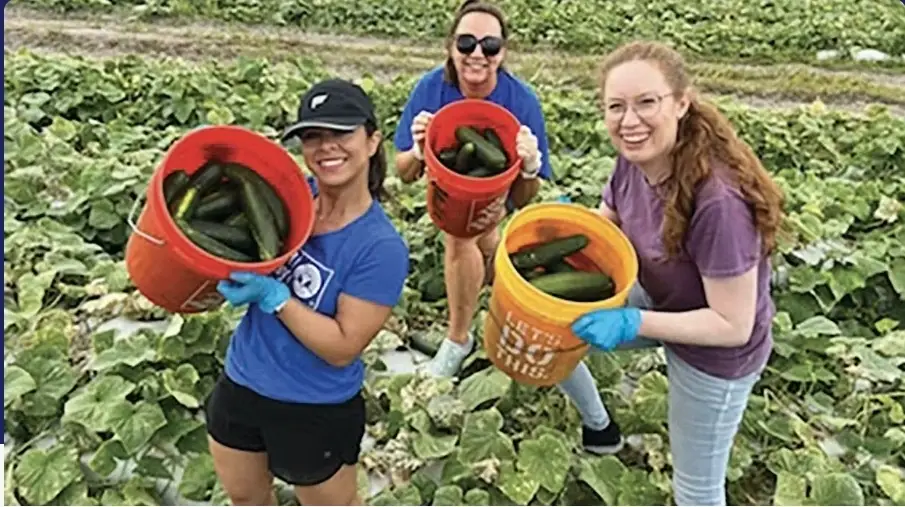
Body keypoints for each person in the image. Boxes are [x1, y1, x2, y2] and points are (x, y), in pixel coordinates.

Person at [567, 40, 785, 506]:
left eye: (647, 102)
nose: (629, 121)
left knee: (696, 488)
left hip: (716, 353)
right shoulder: (634, 157)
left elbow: (732, 324)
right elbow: (610, 220)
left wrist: (632, 322)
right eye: (616, 107)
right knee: (555, 329)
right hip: (661, 298)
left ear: (681, 102)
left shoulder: (718, 202)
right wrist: (568, 238)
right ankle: (600, 427)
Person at [203, 78, 410, 506]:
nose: (325, 147)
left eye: (341, 133)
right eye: (313, 136)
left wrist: (275, 298)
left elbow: (343, 347)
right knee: (245, 499)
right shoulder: (294, 199)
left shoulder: (380, 247)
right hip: (242, 382)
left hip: (313, 409)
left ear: (372, 141)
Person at [393, 0, 552, 377]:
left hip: (498, 196)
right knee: (463, 231)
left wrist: (530, 167)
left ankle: (460, 335)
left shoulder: (522, 102)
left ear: (503, 52)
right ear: (450, 47)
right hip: (448, 191)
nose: (477, 54)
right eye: (466, 44)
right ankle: (465, 333)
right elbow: (403, 172)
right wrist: (418, 149)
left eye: (490, 46)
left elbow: (525, 197)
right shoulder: (432, 88)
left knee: (473, 234)